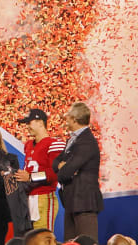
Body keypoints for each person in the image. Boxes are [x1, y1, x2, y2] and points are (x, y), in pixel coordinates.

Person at [52, 102, 103, 242]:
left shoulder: (86, 141)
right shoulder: (73, 139)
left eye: (68, 116)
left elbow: (66, 172)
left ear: (74, 119)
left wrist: (64, 168)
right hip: (72, 200)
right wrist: (63, 166)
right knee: (70, 242)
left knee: (86, 242)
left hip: (84, 201)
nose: (65, 119)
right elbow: (55, 163)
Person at [14, 109, 65, 231]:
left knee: (42, 237)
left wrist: (30, 177)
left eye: (29, 123)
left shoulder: (54, 144)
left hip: (44, 196)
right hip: (28, 198)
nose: (27, 127)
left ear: (41, 123)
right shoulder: (28, 145)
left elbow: (54, 173)